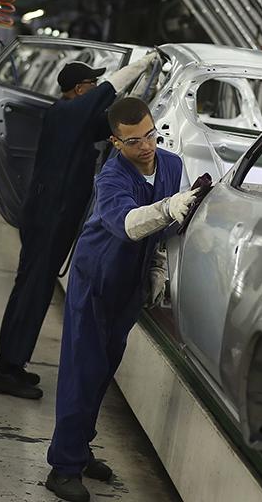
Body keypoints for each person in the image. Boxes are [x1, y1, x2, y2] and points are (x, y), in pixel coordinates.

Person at [45, 98, 198, 502]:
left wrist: (157, 268)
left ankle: (80, 448)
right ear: (116, 142)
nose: (146, 146)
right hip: (96, 280)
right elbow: (131, 225)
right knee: (83, 370)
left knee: (103, 370)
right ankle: (62, 467)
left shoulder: (171, 164)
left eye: (150, 134)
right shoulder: (111, 178)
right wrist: (168, 207)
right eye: (134, 141)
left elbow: (161, 234)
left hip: (130, 282)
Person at [0, 52, 159, 400]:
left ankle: (11, 364)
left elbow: (109, 120)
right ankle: (5, 368)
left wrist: (145, 92)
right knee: (32, 289)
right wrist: (137, 66)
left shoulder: (75, 119)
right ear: (80, 90)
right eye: (91, 85)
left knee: (35, 287)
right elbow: (105, 93)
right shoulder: (65, 113)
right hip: (49, 215)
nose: (95, 88)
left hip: (53, 215)